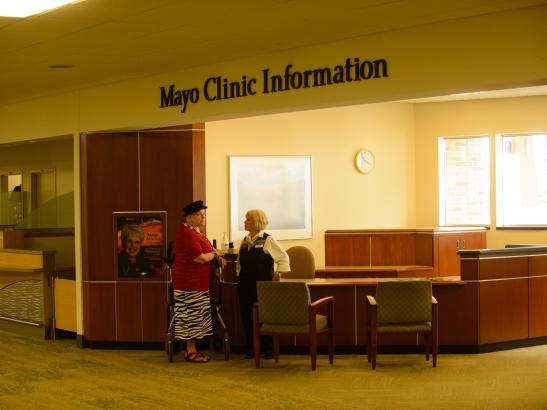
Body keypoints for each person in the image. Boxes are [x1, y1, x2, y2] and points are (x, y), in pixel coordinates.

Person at [171, 200, 223, 363]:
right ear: (190, 217)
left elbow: (206, 249)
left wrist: (215, 253)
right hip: (188, 284)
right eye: (200, 214)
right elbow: (199, 258)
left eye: (203, 214)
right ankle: (190, 351)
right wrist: (215, 255)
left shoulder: (195, 231)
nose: (203, 217)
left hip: (197, 283)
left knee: (196, 317)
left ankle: (192, 349)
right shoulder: (186, 234)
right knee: (190, 317)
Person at [237, 209, 290, 359]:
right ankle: (251, 348)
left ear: (255, 222)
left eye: (247, 220)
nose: (244, 222)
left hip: (262, 286)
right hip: (245, 285)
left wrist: (278, 273)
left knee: (263, 316)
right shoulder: (245, 240)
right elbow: (240, 264)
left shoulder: (268, 240)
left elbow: (283, 258)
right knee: (246, 316)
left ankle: (268, 349)